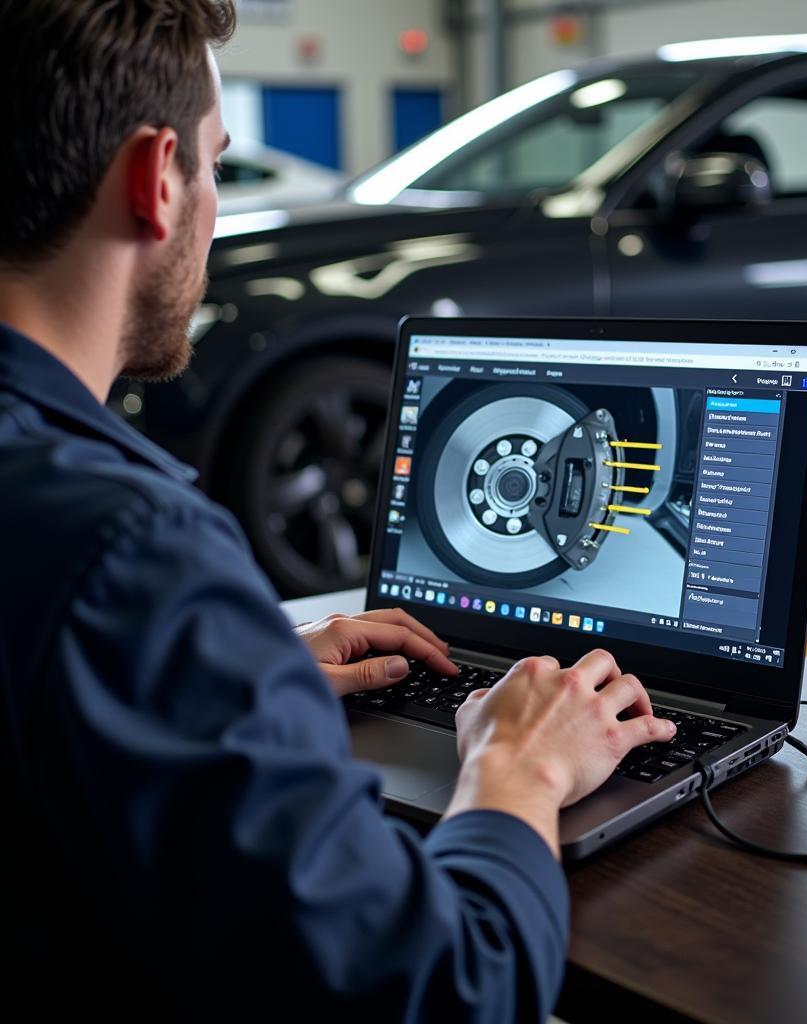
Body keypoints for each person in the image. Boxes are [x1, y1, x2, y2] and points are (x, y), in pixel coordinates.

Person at [0, 2, 676, 1020]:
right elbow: (448, 989)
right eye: (217, 166)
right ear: (155, 180)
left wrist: (236, 678)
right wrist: (515, 770)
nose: (216, 202)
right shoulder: (130, 552)